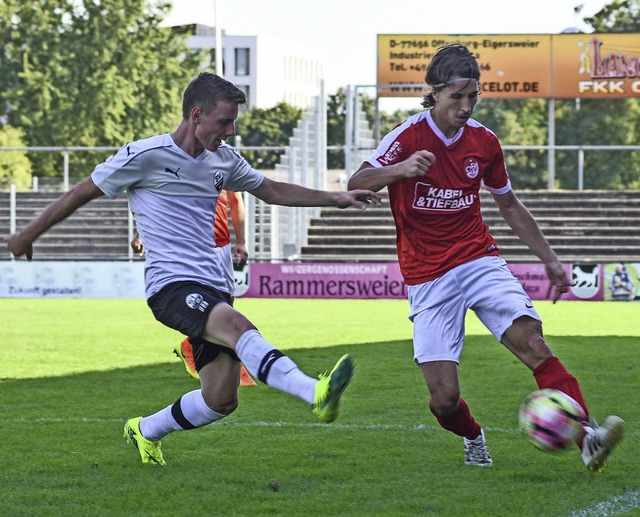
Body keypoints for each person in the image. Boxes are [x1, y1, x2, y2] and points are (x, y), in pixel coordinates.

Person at [6, 71, 381, 466]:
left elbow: (270, 189)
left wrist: (337, 198)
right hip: (170, 286)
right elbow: (82, 193)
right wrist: (28, 233)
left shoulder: (224, 160)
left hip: (214, 284)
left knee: (221, 399)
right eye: (225, 121)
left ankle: (145, 430)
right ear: (196, 115)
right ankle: (315, 392)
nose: (231, 131)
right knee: (239, 329)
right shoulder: (145, 155)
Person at [347, 43, 624, 471]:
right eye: (456, 96)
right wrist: (400, 170)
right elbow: (357, 181)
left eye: (472, 95)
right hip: (427, 276)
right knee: (444, 399)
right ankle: (473, 436)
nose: (465, 105)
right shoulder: (406, 138)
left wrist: (549, 258)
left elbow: (509, 204)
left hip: (478, 258)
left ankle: (587, 436)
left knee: (532, 340)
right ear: (434, 93)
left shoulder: (484, 142)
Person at [131, 189, 255, 385]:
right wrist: (142, 234)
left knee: (226, 304)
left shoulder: (226, 161)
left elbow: (236, 200)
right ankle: (208, 358)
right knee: (202, 302)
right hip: (189, 247)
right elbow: (166, 201)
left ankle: (190, 346)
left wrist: (241, 242)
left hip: (220, 246)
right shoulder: (182, 163)